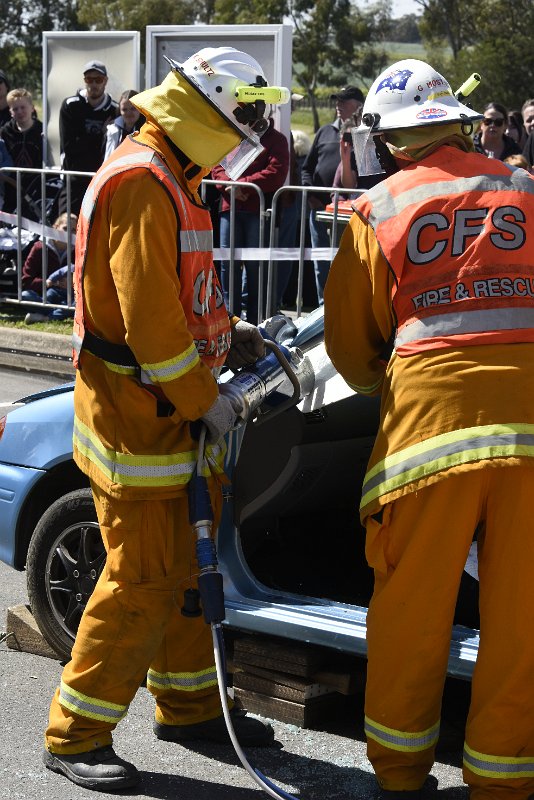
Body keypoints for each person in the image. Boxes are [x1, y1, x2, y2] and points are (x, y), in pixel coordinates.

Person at [42, 46, 289, 792]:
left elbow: (181, 299)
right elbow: (149, 324)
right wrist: (202, 400)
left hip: (168, 418)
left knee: (190, 569)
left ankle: (186, 709)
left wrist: (229, 329)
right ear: (205, 106)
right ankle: (74, 733)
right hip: (141, 422)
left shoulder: (174, 177)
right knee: (142, 579)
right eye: (242, 112)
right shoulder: (145, 183)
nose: (249, 128)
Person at [324, 57, 534, 800]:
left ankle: (402, 778)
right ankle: (503, 783)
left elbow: (351, 349)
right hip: (531, 438)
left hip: (427, 441)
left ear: (388, 140)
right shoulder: (525, 190)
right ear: (457, 122)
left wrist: (392, 381)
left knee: (411, 617)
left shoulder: (379, 208)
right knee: (520, 623)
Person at [211, 114, 289, 323]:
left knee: (255, 267)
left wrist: (241, 186)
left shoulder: (276, 139)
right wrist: (234, 187)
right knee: (228, 265)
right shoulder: (234, 136)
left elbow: (276, 172)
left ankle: (255, 322)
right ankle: (228, 319)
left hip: (255, 211)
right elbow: (217, 166)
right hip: (231, 208)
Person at [301, 85, 364, 304]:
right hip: (319, 209)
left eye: (343, 102)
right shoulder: (325, 132)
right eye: (337, 101)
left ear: (358, 106)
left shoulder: (364, 135)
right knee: (321, 264)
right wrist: (310, 192)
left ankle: (342, 310)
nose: (338, 106)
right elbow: (306, 168)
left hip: (350, 213)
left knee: (345, 264)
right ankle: (322, 311)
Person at [58, 60, 118, 214]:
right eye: (89, 79)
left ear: (105, 81)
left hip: (102, 178)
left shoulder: (115, 109)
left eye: (98, 80)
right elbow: (70, 147)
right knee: (66, 226)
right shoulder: (70, 105)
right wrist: (100, 134)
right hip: (74, 178)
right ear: (84, 81)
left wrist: (84, 139)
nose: (94, 84)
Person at [21, 212, 77, 323]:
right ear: (55, 228)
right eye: (65, 228)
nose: (69, 234)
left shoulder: (78, 251)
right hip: (44, 296)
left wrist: (73, 283)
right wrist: (50, 283)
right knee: (25, 295)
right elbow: (26, 281)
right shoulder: (39, 248)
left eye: (74, 230)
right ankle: (58, 313)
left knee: (80, 303)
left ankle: (45, 317)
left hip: (69, 297)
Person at [0, 87, 44, 220]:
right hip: (11, 187)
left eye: (23, 107)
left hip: (37, 187)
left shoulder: (42, 131)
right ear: (10, 112)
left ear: (32, 107)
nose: (20, 112)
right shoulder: (5, 132)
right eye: (15, 109)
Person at [103, 89, 144, 161]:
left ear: (140, 109)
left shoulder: (146, 130)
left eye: (133, 108)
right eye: (124, 109)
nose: (129, 113)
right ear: (120, 111)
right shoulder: (112, 131)